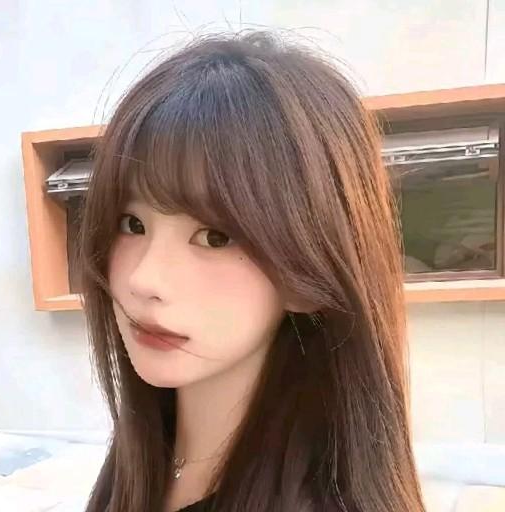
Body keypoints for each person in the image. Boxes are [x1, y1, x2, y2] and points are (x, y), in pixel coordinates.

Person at [78, 29, 426, 512]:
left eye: (214, 237)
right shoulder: (148, 452)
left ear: (308, 271)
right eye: (132, 224)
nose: (144, 279)